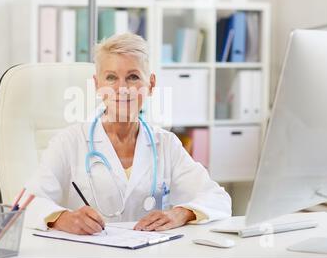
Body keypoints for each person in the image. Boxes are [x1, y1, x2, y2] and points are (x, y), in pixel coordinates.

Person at [26, 33, 231, 235]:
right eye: (111, 77)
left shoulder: (166, 143)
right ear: (97, 85)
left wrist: (181, 213)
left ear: (150, 84)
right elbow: (27, 202)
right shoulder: (69, 142)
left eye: (133, 77)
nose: (122, 89)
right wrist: (61, 218)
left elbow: (218, 198)